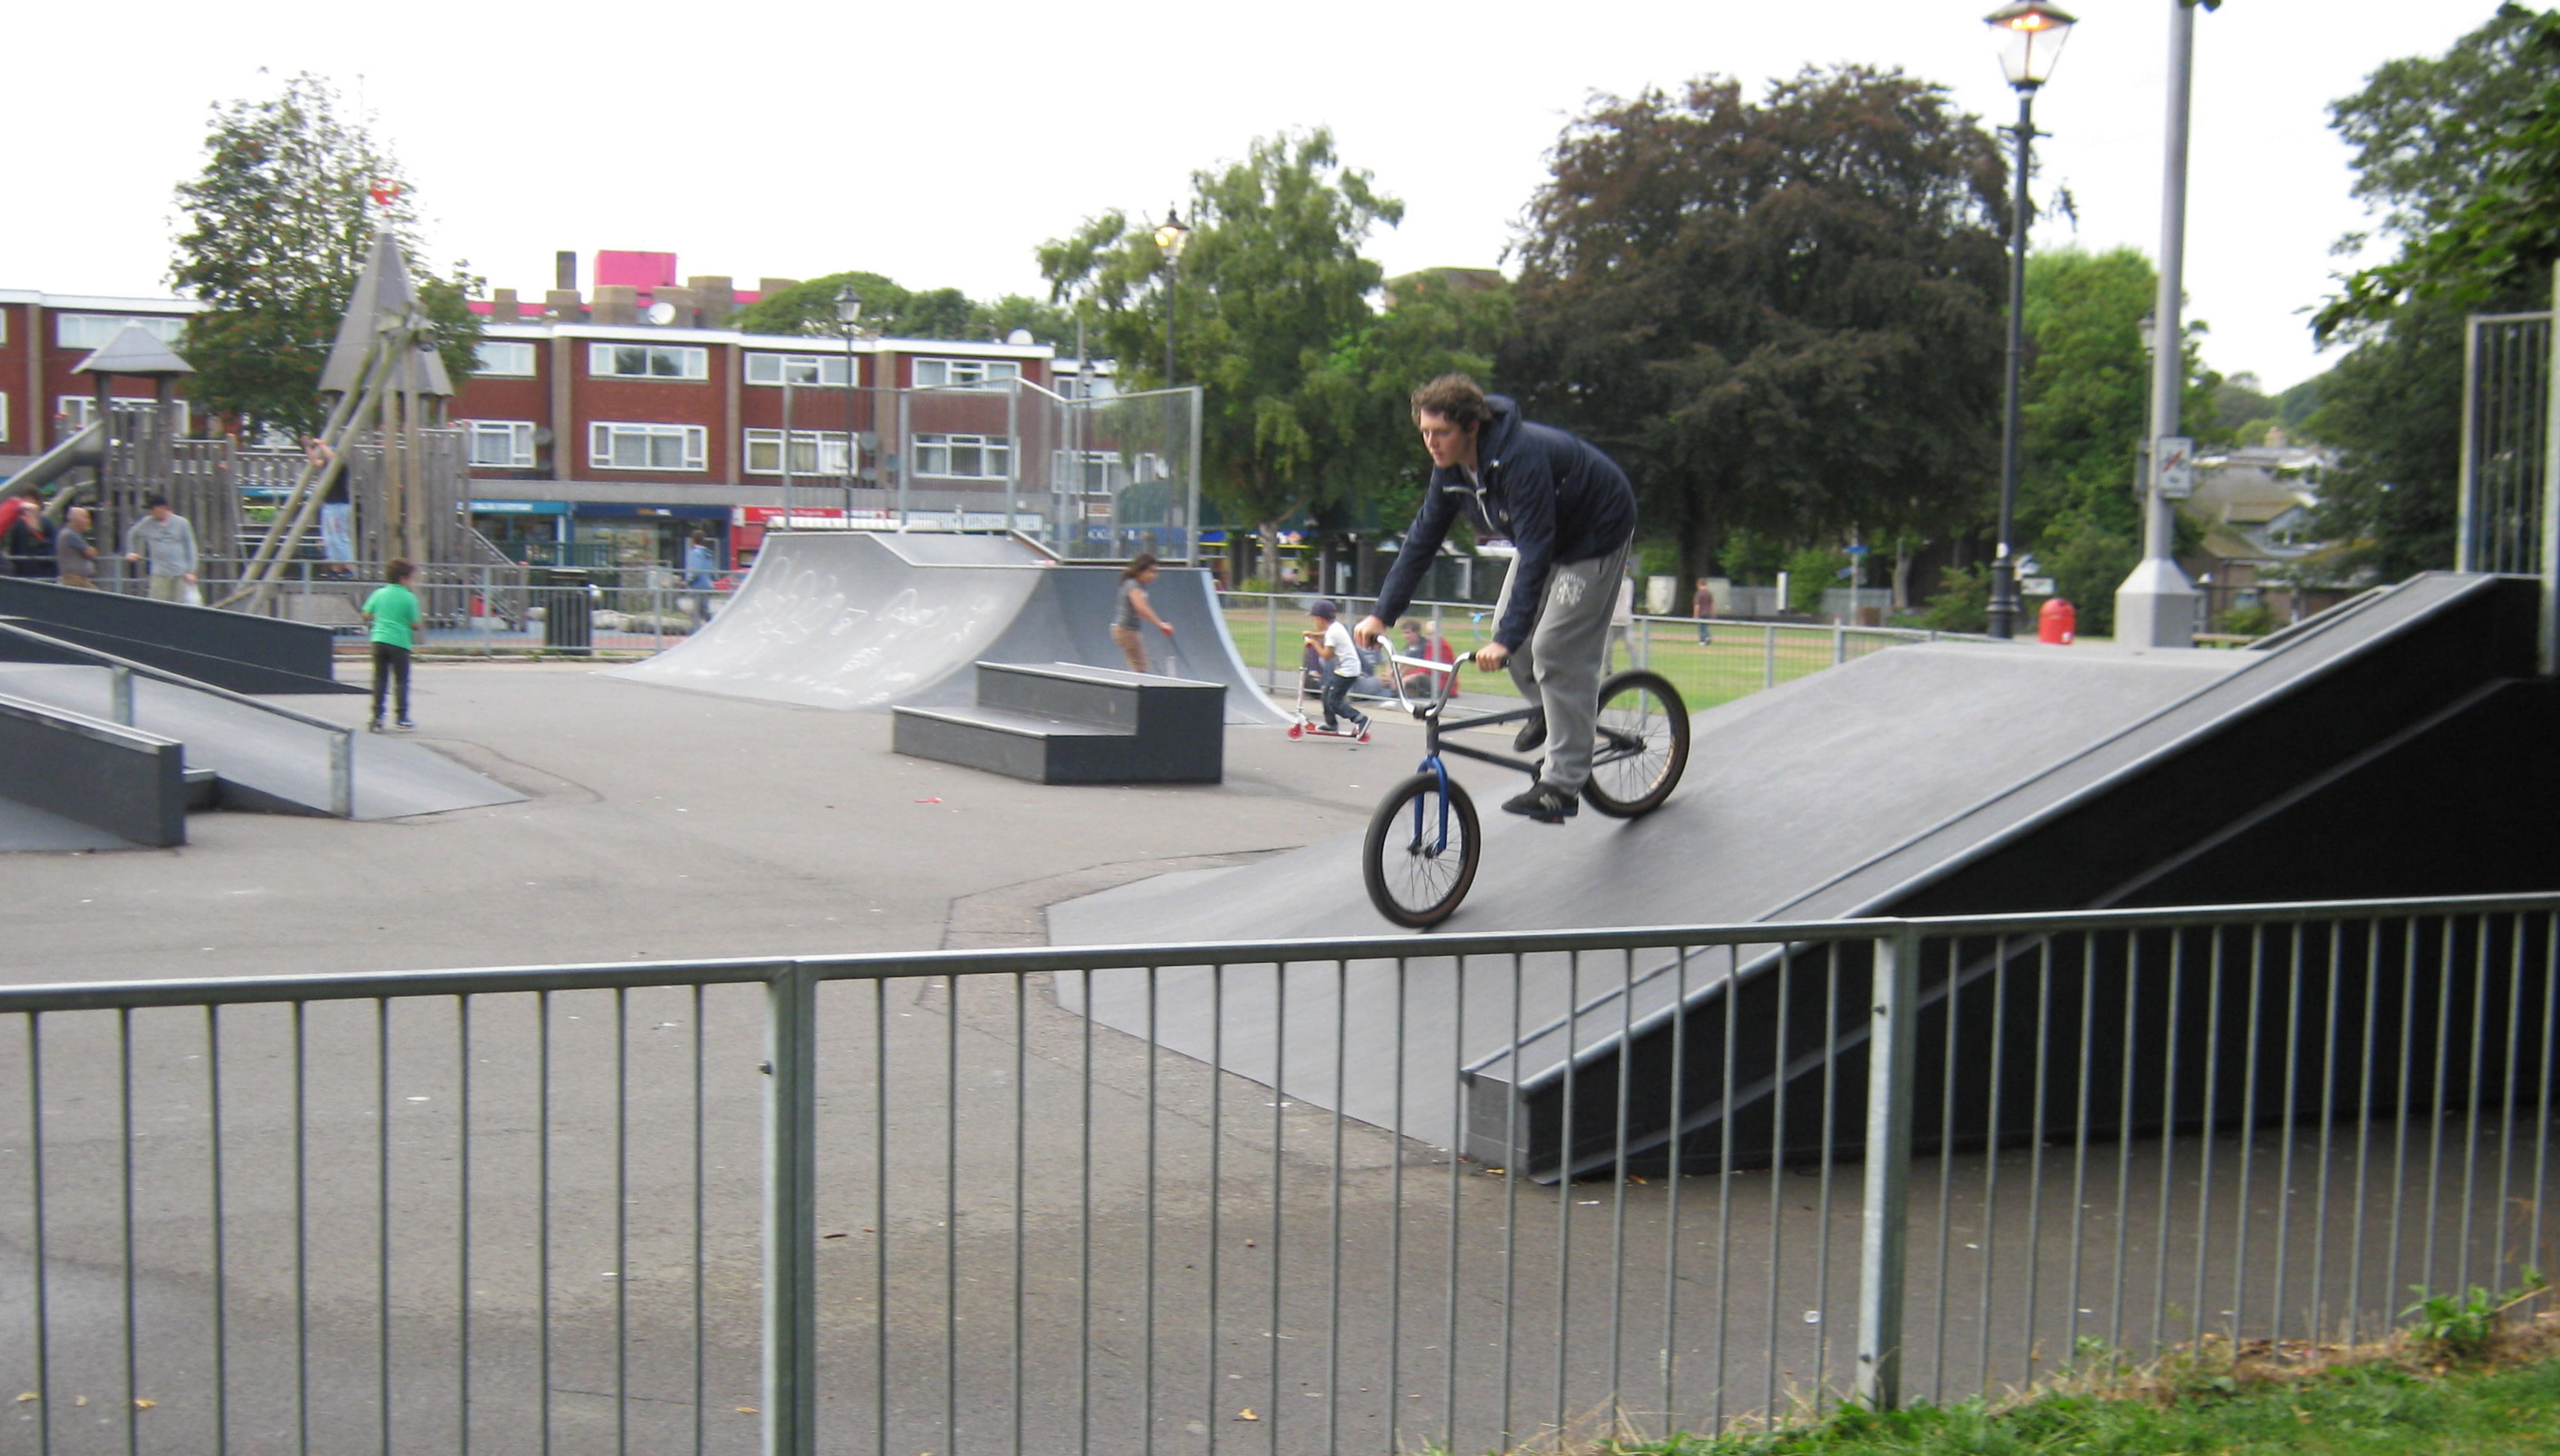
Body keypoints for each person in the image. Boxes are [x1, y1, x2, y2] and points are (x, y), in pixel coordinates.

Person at [1356, 373, 1636, 823]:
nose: (1431, 443)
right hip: (1542, 537)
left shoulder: (1519, 457)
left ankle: (1562, 785)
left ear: (1472, 426)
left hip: (1593, 536)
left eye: (1441, 432)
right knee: (1506, 631)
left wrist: (1507, 640)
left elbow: (1536, 551)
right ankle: (1550, 710)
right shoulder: (1450, 469)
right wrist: (1381, 614)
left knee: (1554, 650)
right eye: (1425, 432)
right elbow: (1422, 539)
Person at [361, 557, 423, 732]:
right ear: (403, 578)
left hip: (379, 640)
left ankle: (377, 716)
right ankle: (402, 717)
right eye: (411, 579)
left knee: (380, 679)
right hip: (400, 642)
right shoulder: (409, 598)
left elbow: (366, 614)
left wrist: (380, 618)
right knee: (401, 680)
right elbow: (416, 624)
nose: (412, 582)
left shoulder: (380, 593)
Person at [1303, 599, 1370, 739]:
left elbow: (1326, 656)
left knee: (1334, 701)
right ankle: (1331, 724)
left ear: (1320, 619)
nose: (1314, 623)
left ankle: (1360, 719)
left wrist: (1313, 643)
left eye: (1314, 619)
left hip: (1347, 672)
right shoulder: (1336, 627)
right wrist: (1314, 635)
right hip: (1345, 669)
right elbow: (1326, 634)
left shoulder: (1333, 633)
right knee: (1326, 694)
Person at [123, 495, 199, 602]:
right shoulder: (147, 523)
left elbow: (191, 547)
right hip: (159, 574)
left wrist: (192, 571)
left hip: (181, 575)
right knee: (158, 604)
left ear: (163, 508)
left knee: (180, 606)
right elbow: (132, 534)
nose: (151, 512)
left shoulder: (182, 523)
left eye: (153, 509)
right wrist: (131, 552)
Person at [1112, 552, 1175, 673]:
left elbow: (1140, 610)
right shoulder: (1133, 585)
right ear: (1141, 571)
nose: (1154, 576)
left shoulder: (1140, 586)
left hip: (1129, 630)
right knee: (1140, 668)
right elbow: (1142, 608)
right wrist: (1161, 625)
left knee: (1140, 665)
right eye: (1152, 572)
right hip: (1126, 630)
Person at [1396, 617, 1460, 699]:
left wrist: (1409, 677)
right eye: (1429, 634)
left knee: (1420, 677)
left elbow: (1428, 668)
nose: (1429, 637)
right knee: (1415, 677)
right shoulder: (1430, 646)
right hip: (1436, 679)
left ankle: (1406, 691)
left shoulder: (1443, 647)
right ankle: (1405, 691)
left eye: (1432, 634)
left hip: (1445, 685)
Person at [5, 500, 54, 578]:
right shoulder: (20, 524)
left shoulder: (46, 523)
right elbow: (15, 547)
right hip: (26, 568)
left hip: (40, 569)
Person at [55, 506, 98, 588]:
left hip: (78, 579)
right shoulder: (71, 535)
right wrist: (93, 550)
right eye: (86, 518)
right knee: (96, 595)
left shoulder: (71, 534)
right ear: (78, 520)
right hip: (74, 580)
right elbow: (90, 553)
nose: (88, 521)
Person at [1693, 577, 1715, 645]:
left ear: (1699, 584)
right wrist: (1713, 613)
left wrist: (1695, 614)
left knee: (1702, 627)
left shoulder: (1699, 593)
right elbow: (1712, 604)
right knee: (1706, 626)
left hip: (1701, 613)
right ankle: (1707, 638)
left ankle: (1704, 640)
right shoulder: (1709, 593)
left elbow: (1697, 605)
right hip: (1708, 613)